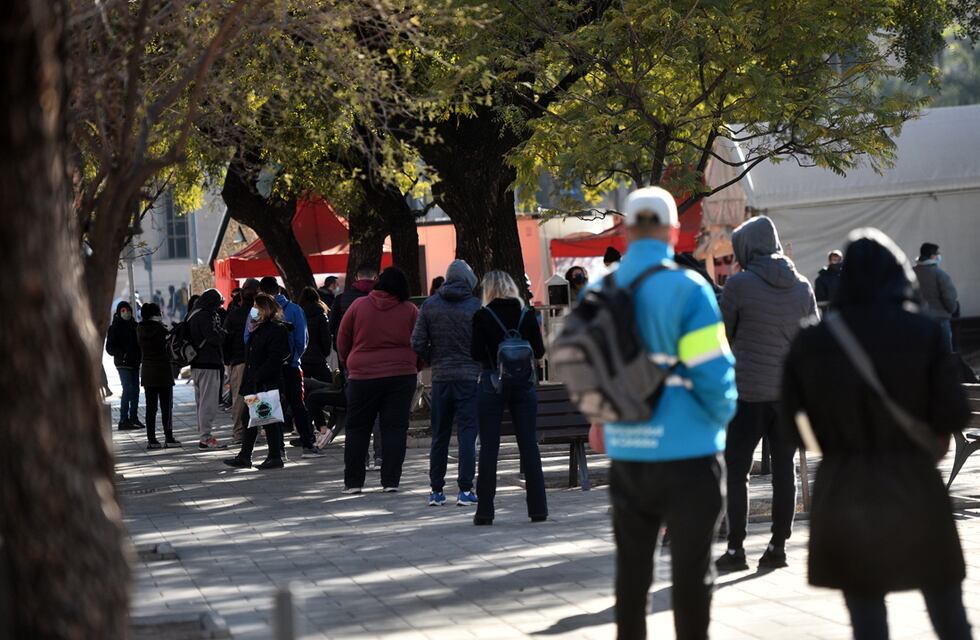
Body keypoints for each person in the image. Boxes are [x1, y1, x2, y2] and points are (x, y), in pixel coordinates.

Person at [782, 228, 972, 640]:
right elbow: (953, 413)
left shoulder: (814, 342)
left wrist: (831, 443)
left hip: (844, 484)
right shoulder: (924, 333)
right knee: (944, 602)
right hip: (914, 480)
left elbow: (792, 425)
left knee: (865, 611)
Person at [595, 188, 736, 640]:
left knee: (633, 574)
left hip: (629, 454)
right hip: (689, 453)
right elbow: (712, 376)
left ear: (627, 231)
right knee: (693, 573)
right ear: (674, 232)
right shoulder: (689, 289)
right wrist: (722, 418)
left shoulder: (601, 291)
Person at [716, 216, 817, 572]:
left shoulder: (738, 285)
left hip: (747, 394)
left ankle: (735, 550)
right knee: (784, 473)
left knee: (737, 471)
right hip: (787, 396)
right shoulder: (803, 286)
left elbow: (721, 337)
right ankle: (778, 547)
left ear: (747, 248)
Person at [470, 271, 547, 525]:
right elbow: (539, 350)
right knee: (529, 446)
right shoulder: (526, 314)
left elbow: (476, 353)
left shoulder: (482, 315)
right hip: (523, 385)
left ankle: (485, 511)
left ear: (488, 290)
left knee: (489, 448)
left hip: (492, 384)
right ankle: (538, 509)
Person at [337, 267, 420, 493]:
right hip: (402, 375)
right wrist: (414, 364)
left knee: (357, 428)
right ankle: (391, 481)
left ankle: (353, 482)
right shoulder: (410, 310)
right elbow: (421, 342)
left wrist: (349, 363)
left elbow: (342, 339)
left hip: (363, 375)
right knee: (394, 428)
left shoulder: (358, 306)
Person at [412, 260, 482, 507]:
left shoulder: (430, 306)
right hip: (469, 379)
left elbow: (417, 342)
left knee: (439, 435)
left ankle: (436, 490)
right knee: (467, 434)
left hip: (441, 378)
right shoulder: (476, 307)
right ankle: (465, 490)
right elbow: (483, 345)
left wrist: (434, 359)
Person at [253, 277, 320, 457]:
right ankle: (307, 444)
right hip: (290, 366)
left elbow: (248, 337)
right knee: (297, 404)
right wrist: (294, 359)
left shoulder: (256, 311)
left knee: (270, 406)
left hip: (267, 369)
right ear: (279, 289)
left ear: (261, 291)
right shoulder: (296, 310)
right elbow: (302, 341)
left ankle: (276, 449)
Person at [224, 293, 292, 470]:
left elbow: (275, 358)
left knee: (268, 419)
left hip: (266, 383)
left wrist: (258, 376)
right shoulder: (256, 329)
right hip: (254, 382)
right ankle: (245, 456)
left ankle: (274, 456)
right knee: (249, 418)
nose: (253, 310)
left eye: (257, 306)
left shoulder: (276, 330)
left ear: (265, 309)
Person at [330, 262, 383, 466]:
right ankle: (380, 455)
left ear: (356, 278)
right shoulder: (382, 298)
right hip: (379, 362)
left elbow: (334, 329)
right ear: (375, 278)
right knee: (379, 410)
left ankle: (362, 457)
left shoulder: (342, 299)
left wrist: (344, 358)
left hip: (352, 362)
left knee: (358, 409)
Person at [186, 288, 227, 449]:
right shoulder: (205, 316)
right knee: (208, 403)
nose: (218, 308)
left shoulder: (193, 314)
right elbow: (213, 338)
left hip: (196, 364)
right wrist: (224, 334)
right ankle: (206, 437)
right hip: (208, 363)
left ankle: (203, 434)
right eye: (218, 304)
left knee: (200, 402)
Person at [137, 302, 179, 449]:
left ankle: (152, 440)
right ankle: (169, 437)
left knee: (150, 408)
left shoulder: (140, 329)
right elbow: (169, 349)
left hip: (148, 372)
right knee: (166, 407)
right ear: (156, 314)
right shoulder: (162, 330)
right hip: (163, 372)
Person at [223, 279, 258, 444]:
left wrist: (228, 360)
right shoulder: (259, 314)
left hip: (238, 361)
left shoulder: (233, 315)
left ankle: (238, 432)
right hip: (256, 361)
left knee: (238, 398)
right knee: (255, 396)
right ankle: (255, 431)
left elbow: (225, 340)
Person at [913, 242, 958, 350]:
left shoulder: (910, 273)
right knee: (944, 356)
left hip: (917, 321)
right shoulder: (941, 275)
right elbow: (949, 299)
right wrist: (953, 309)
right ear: (933, 256)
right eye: (938, 253)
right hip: (940, 321)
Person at [105, 301, 143, 431]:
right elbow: (109, 348)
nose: (126, 313)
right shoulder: (114, 328)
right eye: (123, 311)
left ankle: (133, 417)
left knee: (136, 391)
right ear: (118, 312)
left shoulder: (135, 326)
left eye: (127, 310)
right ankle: (123, 419)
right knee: (127, 389)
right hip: (123, 364)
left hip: (135, 363)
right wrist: (122, 353)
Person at [299, 286, 332, 383]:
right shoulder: (321, 315)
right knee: (329, 385)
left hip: (302, 358)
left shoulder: (298, 315)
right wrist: (324, 353)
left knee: (302, 387)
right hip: (318, 358)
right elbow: (326, 338)